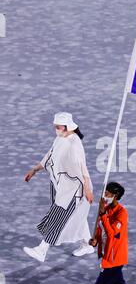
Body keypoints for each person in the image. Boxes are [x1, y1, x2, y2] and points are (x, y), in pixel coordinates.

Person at [23, 112, 94, 262]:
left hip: (74, 189)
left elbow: (83, 168)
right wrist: (35, 169)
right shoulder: (60, 138)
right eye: (55, 127)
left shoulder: (75, 144)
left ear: (67, 127)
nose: (56, 129)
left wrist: (87, 189)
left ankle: (42, 249)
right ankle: (87, 244)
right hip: (59, 185)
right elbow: (50, 155)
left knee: (58, 217)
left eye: (58, 127)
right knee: (75, 214)